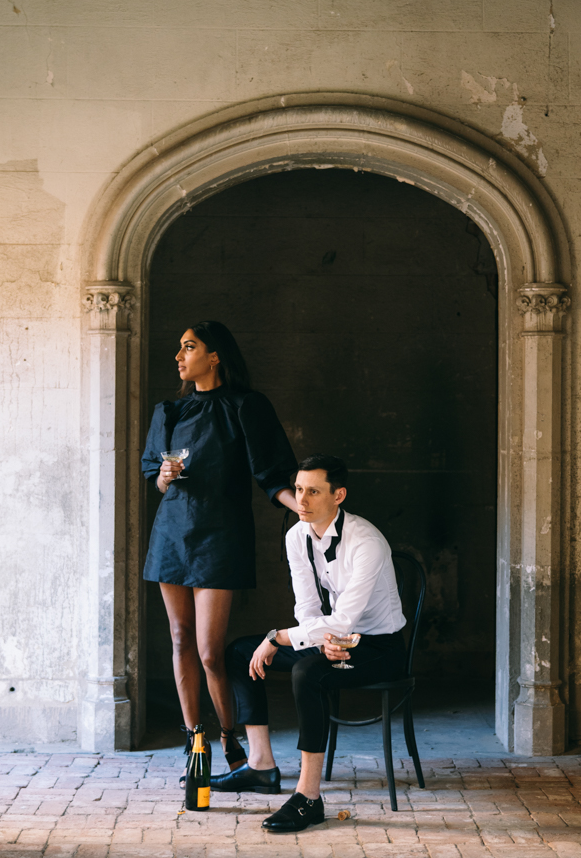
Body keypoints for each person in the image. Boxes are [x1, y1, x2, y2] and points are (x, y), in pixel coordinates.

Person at [210, 453, 407, 832]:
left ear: (339, 495)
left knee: (307, 673)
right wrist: (320, 643)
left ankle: (308, 798)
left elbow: (346, 619)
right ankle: (261, 766)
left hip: (379, 648)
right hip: (331, 638)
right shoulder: (296, 535)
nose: (301, 500)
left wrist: (278, 638)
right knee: (239, 653)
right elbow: (308, 607)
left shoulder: (367, 542)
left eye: (313, 491)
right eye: (298, 489)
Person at [141, 321, 298, 772]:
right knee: (179, 638)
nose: (178, 356)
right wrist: (163, 477)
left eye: (188, 347)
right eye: (179, 347)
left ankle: (229, 735)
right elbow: (155, 472)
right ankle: (196, 742)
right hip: (172, 534)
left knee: (210, 651)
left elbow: (271, 473)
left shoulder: (246, 406)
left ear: (214, 357)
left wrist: (304, 506)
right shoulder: (168, 412)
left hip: (220, 537)